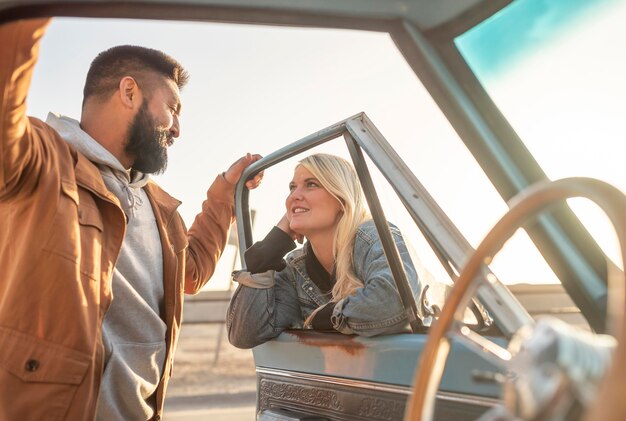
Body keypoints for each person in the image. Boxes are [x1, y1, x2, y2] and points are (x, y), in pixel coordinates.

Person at [0, 19, 262, 420]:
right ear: (128, 91)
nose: (177, 128)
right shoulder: (44, 163)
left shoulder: (158, 207)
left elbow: (190, 273)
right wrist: (27, 19)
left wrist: (225, 192)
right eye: (172, 108)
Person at [227, 153, 420, 349]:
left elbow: (395, 302)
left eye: (311, 184)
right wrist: (268, 251)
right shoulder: (295, 267)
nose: (294, 196)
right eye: (292, 187)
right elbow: (245, 334)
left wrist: (323, 319)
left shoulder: (371, 236)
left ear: (341, 199)